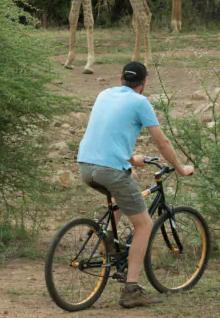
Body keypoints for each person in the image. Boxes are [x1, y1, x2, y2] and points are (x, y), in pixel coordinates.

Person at [77, 61, 195, 309]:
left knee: (127, 182)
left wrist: (131, 159)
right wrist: (181, 169)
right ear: (144, 83)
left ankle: (109, 237)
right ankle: (131, 288)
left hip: (86, 166)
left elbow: (106, 132)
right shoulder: (141, 102)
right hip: (110, 170)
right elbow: (162, 142)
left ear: (121, 78)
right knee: (144, 225)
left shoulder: (104, 93)